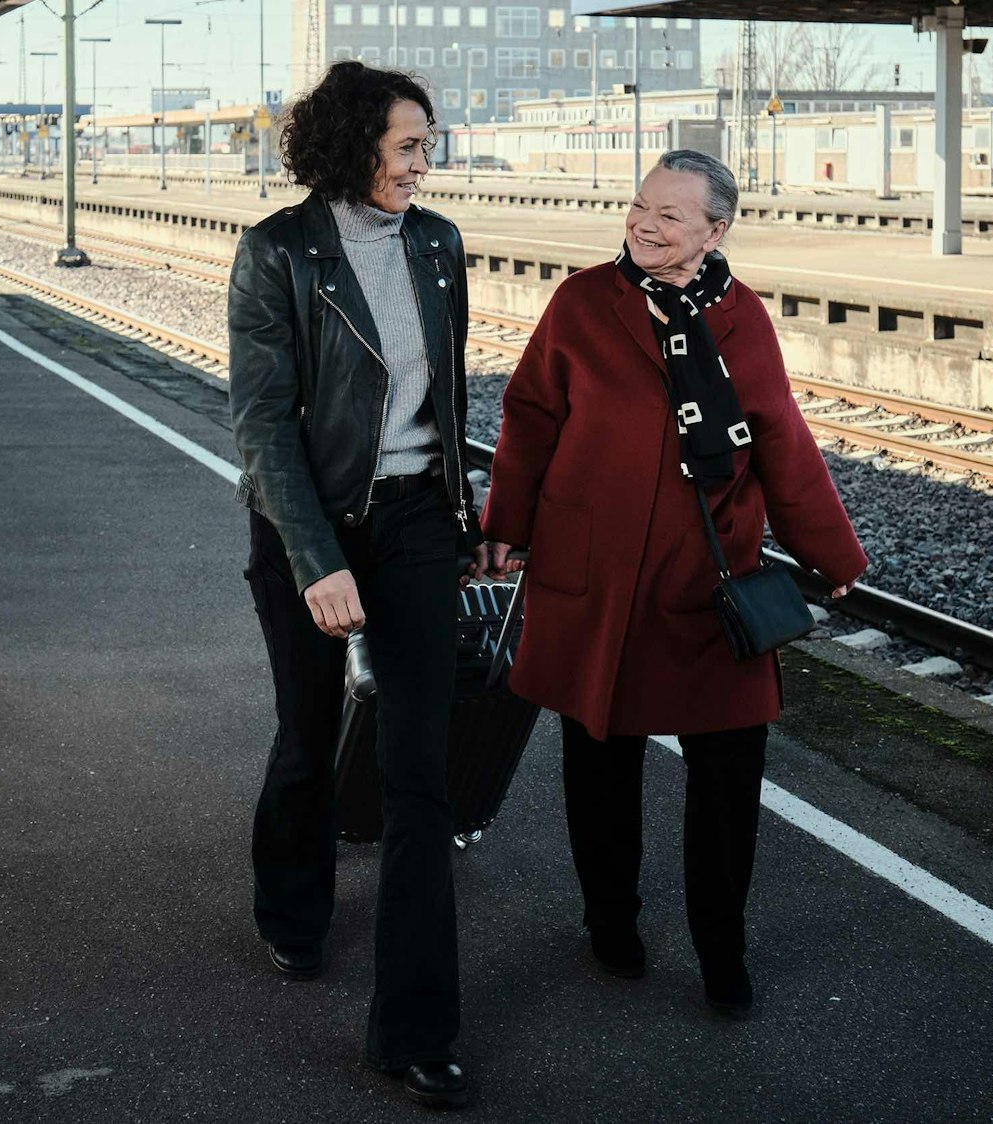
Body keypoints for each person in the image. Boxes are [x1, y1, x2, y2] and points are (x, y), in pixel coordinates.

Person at [479, 149, 867, 1015]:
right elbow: (531, 418)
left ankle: (721, 954)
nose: (644, 226)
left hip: (707, 585)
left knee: (728, 776)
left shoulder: (742, 320)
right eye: (638, 207)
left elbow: (781, 439)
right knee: (600, 762)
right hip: (599, 583)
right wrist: (505, 526)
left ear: (716, 232)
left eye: (670, 217)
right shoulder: (583, 304)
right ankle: (610, 922)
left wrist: (832, 555)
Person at [229, 61, 480, 1109]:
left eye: (428, 144)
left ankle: (414, 1031)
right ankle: (294, 904)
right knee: (309, 730)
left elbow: (446, 392)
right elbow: (261, 425)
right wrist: (315, 556)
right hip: (309, 521)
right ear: (352, 147)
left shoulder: (437, 245)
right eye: (407, 146)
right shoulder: (278, 253)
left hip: (417, 518)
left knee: (424, 769)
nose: (424, 164)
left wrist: (473, 510)